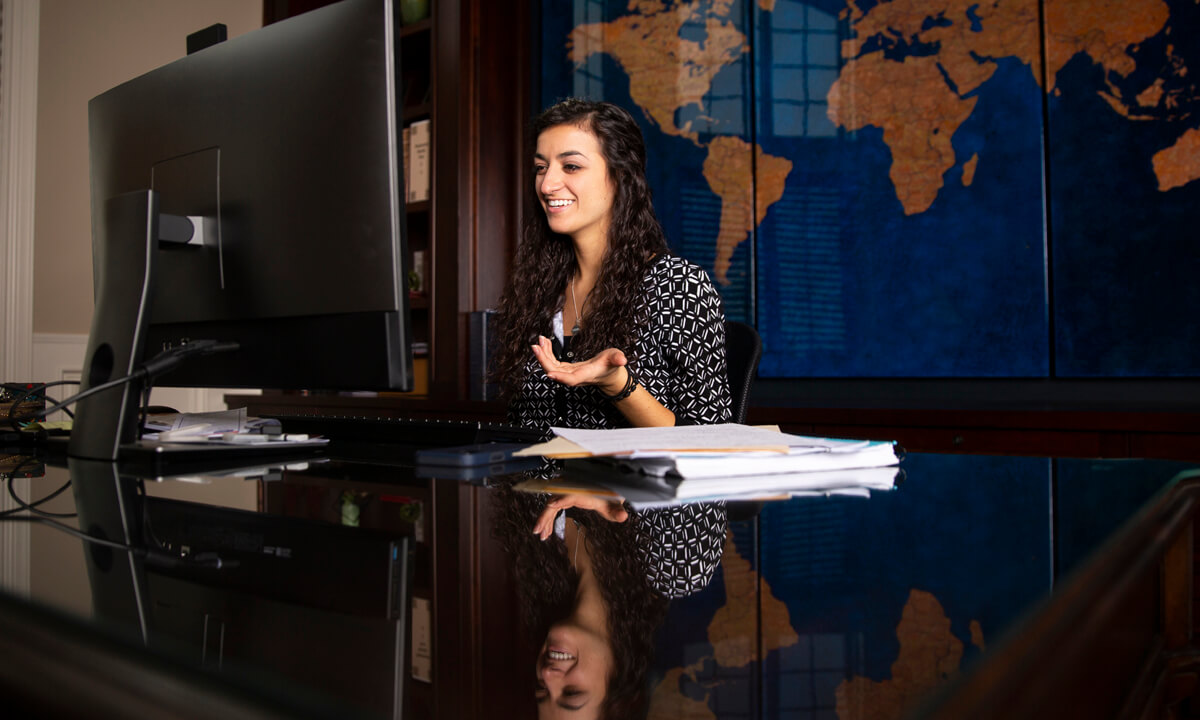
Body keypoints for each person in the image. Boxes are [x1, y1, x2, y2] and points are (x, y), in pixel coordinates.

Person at [492, 98, 732, 430]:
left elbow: (710, 442)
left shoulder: (677, 286)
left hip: (626, 483)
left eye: (571, 166)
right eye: (541, 167)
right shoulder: (537, 289)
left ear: (620, 176)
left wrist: (618, 383)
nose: (547, 185)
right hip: (534, 482)